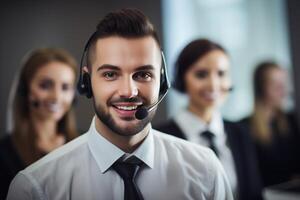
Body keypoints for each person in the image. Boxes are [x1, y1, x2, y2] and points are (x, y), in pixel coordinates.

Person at [7, 8, 233, 200]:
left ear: (162, 82)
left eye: (143, 74)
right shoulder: (36, 187)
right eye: (110, 74)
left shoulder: (206, 171)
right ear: (87, 82)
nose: (128, 91)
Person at [156, 39, 262, 200]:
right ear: (182, 78)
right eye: (201, 74)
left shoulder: (242, 132)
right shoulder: (159, 139)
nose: (213, 85)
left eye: (221, 74)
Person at [0, 48, 78, 200]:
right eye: (45, 86)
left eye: (65, 87)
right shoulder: (4, 154)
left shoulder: (85, 143)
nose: (56, 97)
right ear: (25, 90)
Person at [240, 61, 300, 187]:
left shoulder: (291, 120)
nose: (283, 90)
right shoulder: (244, 127)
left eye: (284, 84)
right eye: (276, 85)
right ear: (262, 88)